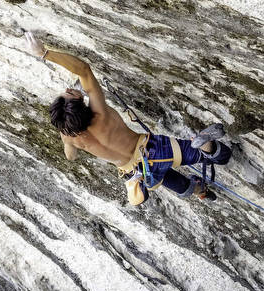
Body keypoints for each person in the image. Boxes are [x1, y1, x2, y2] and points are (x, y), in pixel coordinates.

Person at [25, 32, 231, 204]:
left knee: (173, 182)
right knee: (215, 156)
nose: (69, 89)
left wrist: (67, 131)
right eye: (70, 93)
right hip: (153, 150)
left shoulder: (69, 137)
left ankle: (199, 191)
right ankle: (205, 146)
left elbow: (71, 156)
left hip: (138, 174)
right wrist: (44, 53)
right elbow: (84, 70)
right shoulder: (99, 112)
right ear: (81, 103)